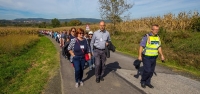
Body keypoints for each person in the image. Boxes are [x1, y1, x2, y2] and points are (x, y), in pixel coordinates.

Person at [138, 24, 165, 89]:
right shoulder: (146, 36)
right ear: (151, 30)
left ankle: (148, 82)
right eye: (155, 29)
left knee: (151, 71)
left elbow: (159, 47)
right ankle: (143, 81)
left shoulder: (158, 37)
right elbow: (141, 46)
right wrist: (139, 56)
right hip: (146, 56)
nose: (156, 31)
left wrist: (162, 55)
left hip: (154, 57)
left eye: (157, 29)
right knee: (147, 70)